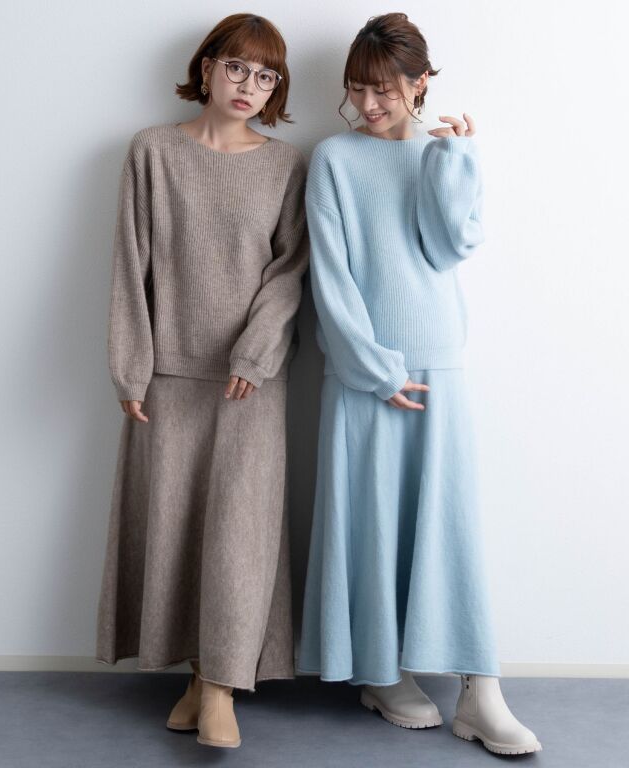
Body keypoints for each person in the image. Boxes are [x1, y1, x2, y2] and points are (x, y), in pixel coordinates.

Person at [296, 12, 542, 756]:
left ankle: (480, 692)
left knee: (450, 526)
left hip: (440, 360)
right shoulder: (333, 158)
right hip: (365, 370)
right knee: (371, 523)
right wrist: (376, 371)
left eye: (384, 89)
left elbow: (449, 247)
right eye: (357, 89)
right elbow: (330, 278)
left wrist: (455, 163)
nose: (369, 104)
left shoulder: (440, 153)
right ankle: (383, 673)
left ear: (420, 82)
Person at [95, 13, 309, 750]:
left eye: (267, 76)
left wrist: (255, 353)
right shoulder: (152, 151)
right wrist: (131, 366)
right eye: (238, 68)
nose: (250, 85)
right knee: (176, 534)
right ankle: (196, 679)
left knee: (239, 540)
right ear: (208, 67)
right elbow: (131, 263)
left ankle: (220, 688)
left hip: (249, 383)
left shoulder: (286, 165)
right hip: (170, 378)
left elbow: (290, 271)